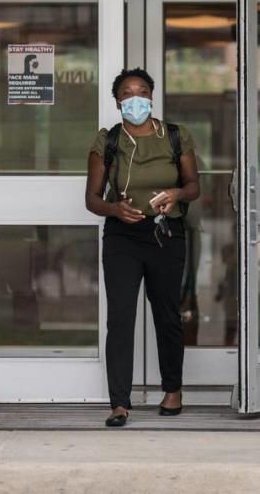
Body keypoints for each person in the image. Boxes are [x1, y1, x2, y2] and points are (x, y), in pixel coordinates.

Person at [85, 68, 200, 427]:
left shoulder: (175, 136)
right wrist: (114, 209)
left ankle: (173, 390)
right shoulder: (108, 141)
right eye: (127, 93)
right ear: (118, 101)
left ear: (151, 96)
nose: (135, 99)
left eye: (142, 91)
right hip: (123, 237)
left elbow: (194, 185)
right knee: (121, 318)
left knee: (166, 313)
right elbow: (91, 199)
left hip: (167, 234)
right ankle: (119, 402)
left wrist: (177, 195)